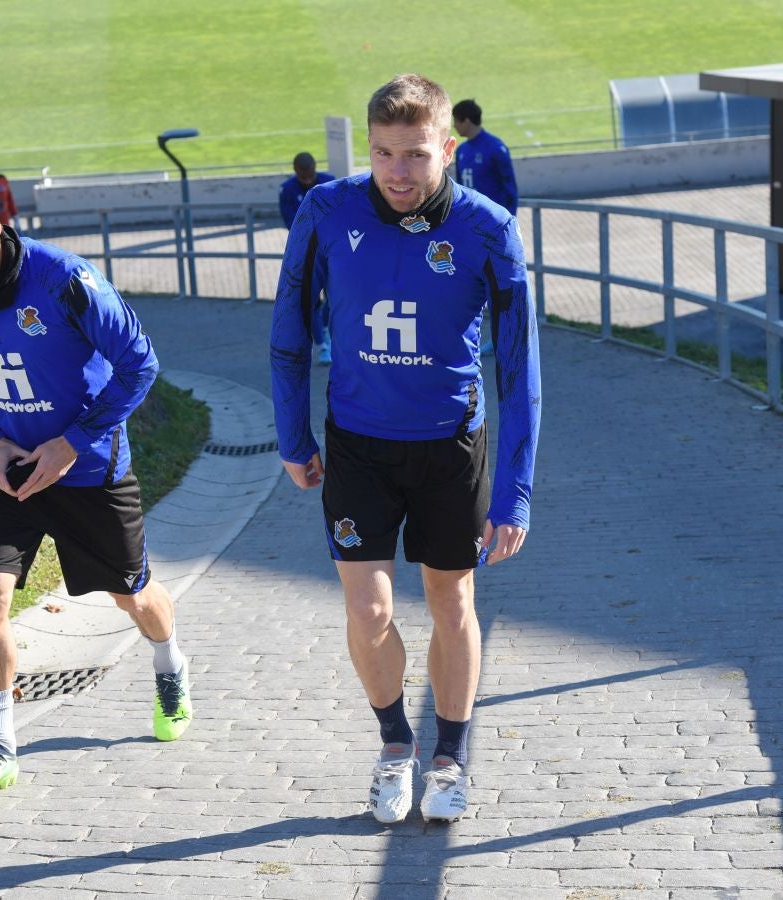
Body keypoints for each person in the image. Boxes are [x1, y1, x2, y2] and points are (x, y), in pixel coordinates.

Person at [270, 75, 540, 824]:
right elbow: (289, 328)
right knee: (369, 609)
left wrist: (515, 487)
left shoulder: (488, 228)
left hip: (452, 446)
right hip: (357, 445)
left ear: (448, 149)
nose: (397, 171)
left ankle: (450, 759)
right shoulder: (326, 209)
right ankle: (396, 746)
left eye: (416, 155)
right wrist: (292, 434)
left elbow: (520, 371)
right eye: (384, 153)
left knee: (453, 600)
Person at [0, 166, 193, 803]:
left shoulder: (64, 280)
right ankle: (0, 745)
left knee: (134, 597)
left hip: (89, 469)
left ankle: (170, 666)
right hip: (12, 471)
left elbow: (139, 366)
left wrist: (72, 443)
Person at [452, 100, 519, 357]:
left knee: (499, 284)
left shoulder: (495, 148)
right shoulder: (462, 151)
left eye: (456, 121)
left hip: (494, 230)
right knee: (472, 283)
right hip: (469, 229)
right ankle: (475, 335)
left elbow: (510, 189)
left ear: (466, 120)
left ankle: (506, 337)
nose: (454, 126)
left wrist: (509, 226)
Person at [279, 152, 335, 365]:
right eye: (303, 178)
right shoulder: (288, 190)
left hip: (331, 251)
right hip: (305, 254)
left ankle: (326, 331)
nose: (308, 181)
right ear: (296, 173)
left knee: (335, 297)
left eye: (310, 176)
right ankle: (321, 346)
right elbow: (293, 225)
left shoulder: (329, 183)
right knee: (310, 302)